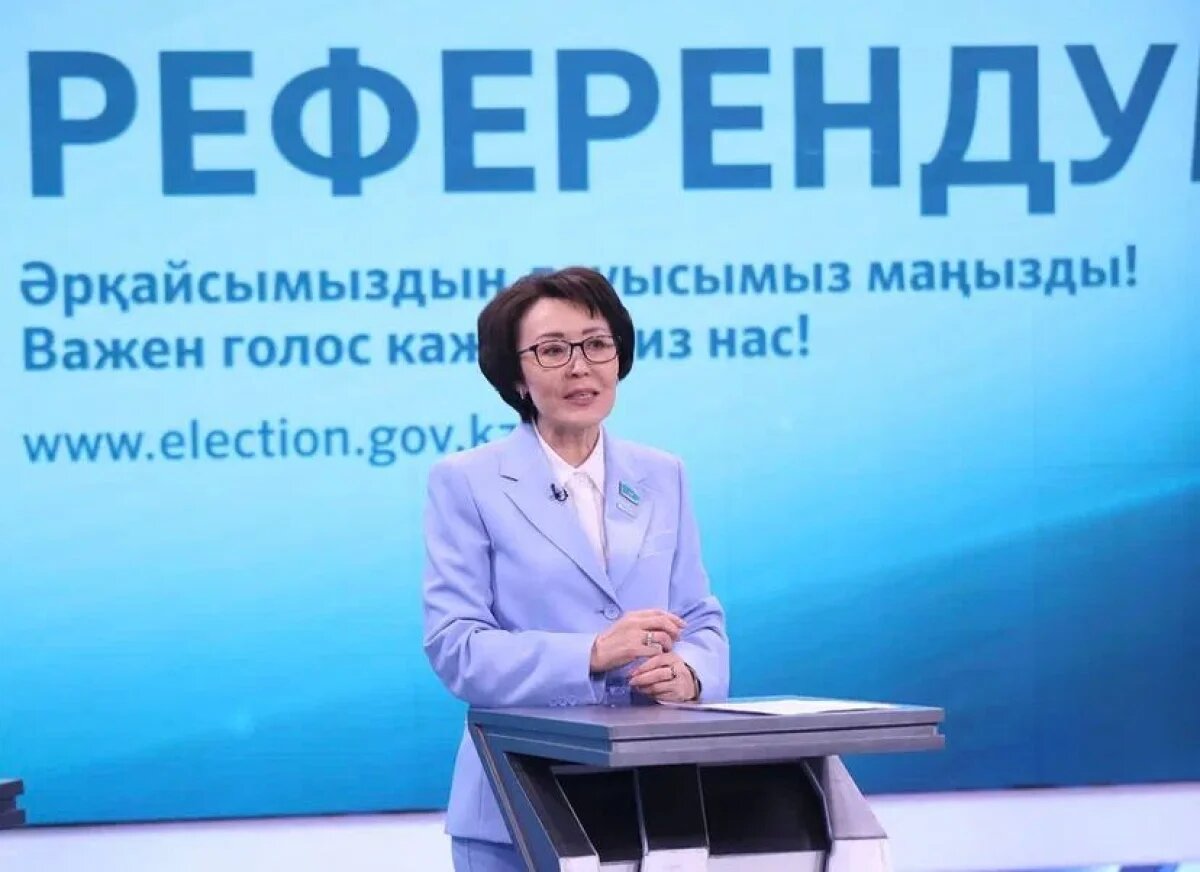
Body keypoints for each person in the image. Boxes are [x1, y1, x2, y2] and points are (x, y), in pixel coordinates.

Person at [422, 267, 730, 872]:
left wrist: (691, 673)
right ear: (516, 376)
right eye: (553, 350)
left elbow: (700, 619)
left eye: (596, 344)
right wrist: (591, 653)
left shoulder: (662, 474)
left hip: (650, 801)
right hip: (518, 802)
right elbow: (457, 647)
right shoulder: (467, 481)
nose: (580, 367)